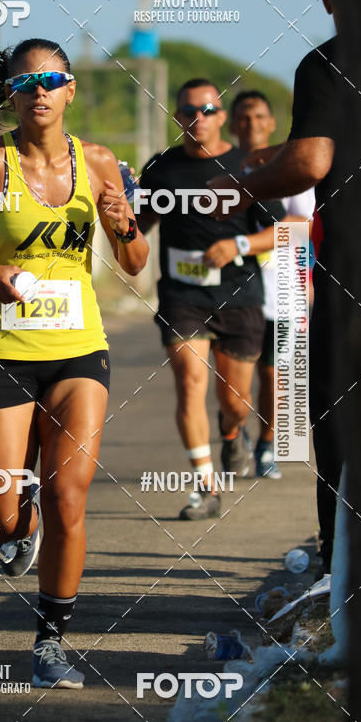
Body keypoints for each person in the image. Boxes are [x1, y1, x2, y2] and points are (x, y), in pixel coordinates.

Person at [0, 37, 149, 689]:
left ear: (71, 89)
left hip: (80, 349)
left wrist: (125, 224)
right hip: (2, 353)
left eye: (51, 79)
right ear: (13, 95)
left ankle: (50, 640)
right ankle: (20, 524)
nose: (39, 90)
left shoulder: (98, 163)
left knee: (69, 495)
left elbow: (134, 264)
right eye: (26, 82)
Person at [209, 0, 345, 573]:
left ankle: (339, 559)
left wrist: (244, 190)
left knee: (338, 418)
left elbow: (312, 165)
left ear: (329, 1)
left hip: (347, 276)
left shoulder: (328, 63)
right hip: (295, 279)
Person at [137, 79, 285, 520]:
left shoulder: (247, 165)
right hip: (183, 295)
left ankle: (233, 431)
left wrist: (237, 247)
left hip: (239, 294)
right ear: (177, 117)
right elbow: (138, 228)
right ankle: (205, 486)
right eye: (187, 111)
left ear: (222, 116)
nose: (196, 119)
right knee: (190, 383)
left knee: (235, 401)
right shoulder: (161, 167)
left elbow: (278, 231)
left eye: (207, 110)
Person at [230, 90, 315, 480]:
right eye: (244, 118)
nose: (252, 124)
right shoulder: (222, 169)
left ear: (272, 123)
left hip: (284, 286)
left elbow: (301, 227)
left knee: (276, 375)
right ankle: (233, 430)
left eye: (260, 116)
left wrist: (247, 243)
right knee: (236, 382)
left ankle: (267, 444)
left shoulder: (292, 169)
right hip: (232, 286)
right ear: (233, 124)